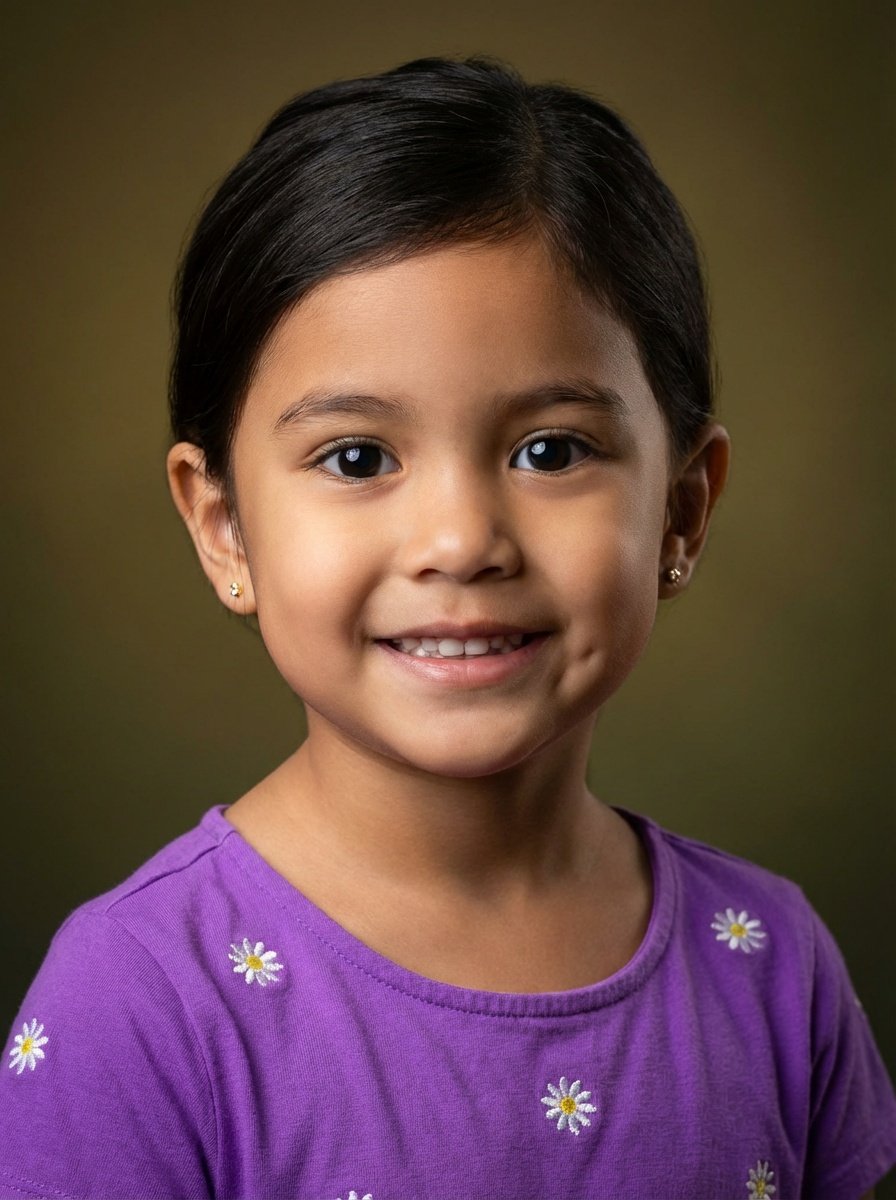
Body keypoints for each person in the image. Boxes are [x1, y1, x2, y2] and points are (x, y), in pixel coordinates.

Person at [1, 54, 893, 1200]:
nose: (461, 539)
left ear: (681, 506)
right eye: (357, 458)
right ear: (223, 527)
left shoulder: (770, 963)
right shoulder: (136, 998)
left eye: (550, 451)